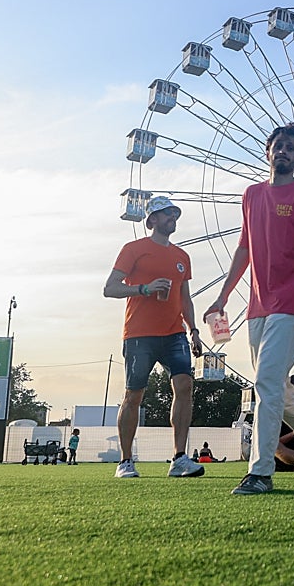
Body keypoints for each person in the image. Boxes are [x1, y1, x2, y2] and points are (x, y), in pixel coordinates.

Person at [202, 123, 294, 495]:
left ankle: (260, 472)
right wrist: (222, 297)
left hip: (291, 302)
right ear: (268, 152)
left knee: (265, 383)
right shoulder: (251, 195)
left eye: (290, 148)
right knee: (276, 387)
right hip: (257, 305)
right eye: (277, 145)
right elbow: (244, 249)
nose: (282, 151)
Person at [104, 195, 206, 480]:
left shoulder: (182, 257)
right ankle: (125, 461)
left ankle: (179, 458)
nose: (172, 217)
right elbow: (110, 288)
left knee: (184, 386)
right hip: (139, 334)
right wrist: (144, 289)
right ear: (152, 220)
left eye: (174, 213)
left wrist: (194, 330)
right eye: (166, 213)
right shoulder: (133, 249)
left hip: (175, 333)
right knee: (134, 395)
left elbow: (185, 298)